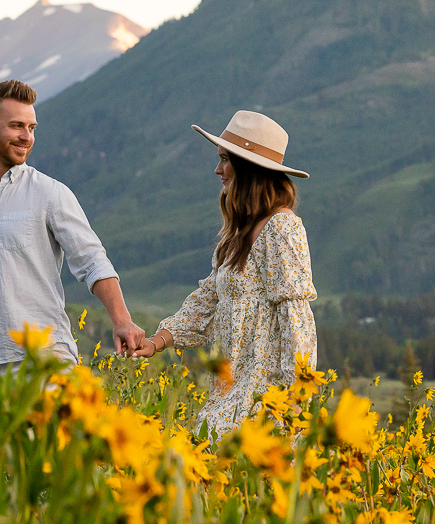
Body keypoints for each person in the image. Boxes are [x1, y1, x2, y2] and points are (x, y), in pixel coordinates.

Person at [0, 79, 146, 407]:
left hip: (45, 362)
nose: (26, 137)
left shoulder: (50, 193)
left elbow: (92, 261)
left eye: (31, 127)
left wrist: (121, 319)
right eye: (16, 126)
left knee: (47, 459)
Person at [134, 110, 317, 435]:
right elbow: (209, 300)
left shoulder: (282, 227)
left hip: (266, 399)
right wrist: (158, 341)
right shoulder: (240, 234)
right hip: (229, 391)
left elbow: (297, 319)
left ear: (249, 167)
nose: (217, 169)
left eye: (225, 160)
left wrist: (296, 399)